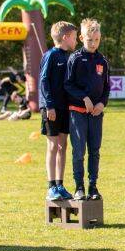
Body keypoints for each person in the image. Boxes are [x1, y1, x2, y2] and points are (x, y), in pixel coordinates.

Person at [64, 18, 110, 201]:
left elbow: (106, 87)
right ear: (82, 38)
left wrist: (101, 104)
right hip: (77, 113)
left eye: (96, 40)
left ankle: (93, 186)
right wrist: (84, 98)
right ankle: (79, 186)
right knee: (78, 151)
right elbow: (68, 85)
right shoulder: (75, 59)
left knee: (95, 150)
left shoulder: (103, 61)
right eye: (90, 40)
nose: (93, 43)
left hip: (96, 115)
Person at [39, 21, 78, 201]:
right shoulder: (51, 55)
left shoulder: (68, 57)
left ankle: (60, 184)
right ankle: (51, 187)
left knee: (63, 146)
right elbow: (44, 80)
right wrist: (49, 105)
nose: (76, 40)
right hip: (52, 108)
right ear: (65, 37)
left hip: (65, 108)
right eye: (74, 37)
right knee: (53, 146)